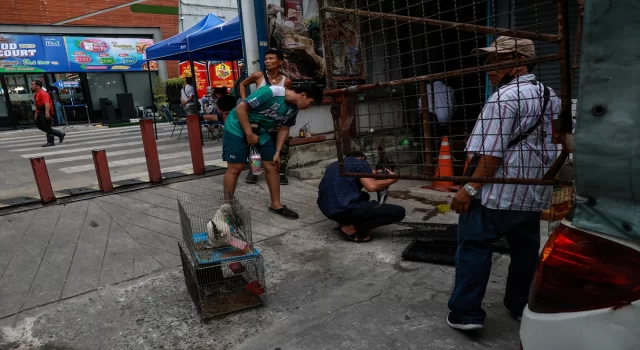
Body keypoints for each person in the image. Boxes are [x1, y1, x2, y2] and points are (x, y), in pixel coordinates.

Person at [446, 36, 560, 331]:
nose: (489, 68)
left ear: (520, 63)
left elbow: (491, 153)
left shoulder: (504, 98)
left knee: (473, 246)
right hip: (531, 191)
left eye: (497, 61)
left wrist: (468, 189)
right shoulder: (550, 95)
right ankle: (520, 304)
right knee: (525, 250)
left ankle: (466, 313)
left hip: (496, 192)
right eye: (490, 61)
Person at [222, 82, 323, 219]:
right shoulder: (270, 92)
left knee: (273, 164)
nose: (309, 107)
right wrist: (249, 134)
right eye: (310, 103)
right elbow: (241, 108)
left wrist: (277, 151)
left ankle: (276, 205)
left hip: (260, 130)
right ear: (303, 95)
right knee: (236, 167)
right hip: (237, 126)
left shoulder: (294, 108)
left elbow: (284, 128)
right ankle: (227, 208)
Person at [317, 151, 406, 243]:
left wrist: (370, 175)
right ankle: (350, 229)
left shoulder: (335, 165)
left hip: (327, 209)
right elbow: (371, 187)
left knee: (364, 196)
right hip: (343, 210)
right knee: (399, 212)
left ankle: (343, 222)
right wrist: (393, 178)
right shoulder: (360, 162)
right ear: (362, 158)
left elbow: (346, 183)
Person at [240, 49, 293, 185]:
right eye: (266, 59)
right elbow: (242, 84)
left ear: (280, 62)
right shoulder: (258, 76)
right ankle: (255, 170)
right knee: (255, 146)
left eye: (271, 58)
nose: (267, 61)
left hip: (275, 118)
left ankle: (280, 172)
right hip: (257, 119)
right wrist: (245, 101)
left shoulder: (286, 81)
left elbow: (288, 99)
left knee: (282, 145)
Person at [32, 80, 65, 147]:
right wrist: (36, 114)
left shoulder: (43, 93)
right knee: (40, 126)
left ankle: (51, 141)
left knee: (47, 126)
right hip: (40, 112)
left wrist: (47, 113)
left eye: (33, 85)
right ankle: (59, 134)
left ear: (38, 86)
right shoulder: (36, 94)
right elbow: (37, 105)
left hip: (45, 112)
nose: (31, 86)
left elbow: (46, 103)